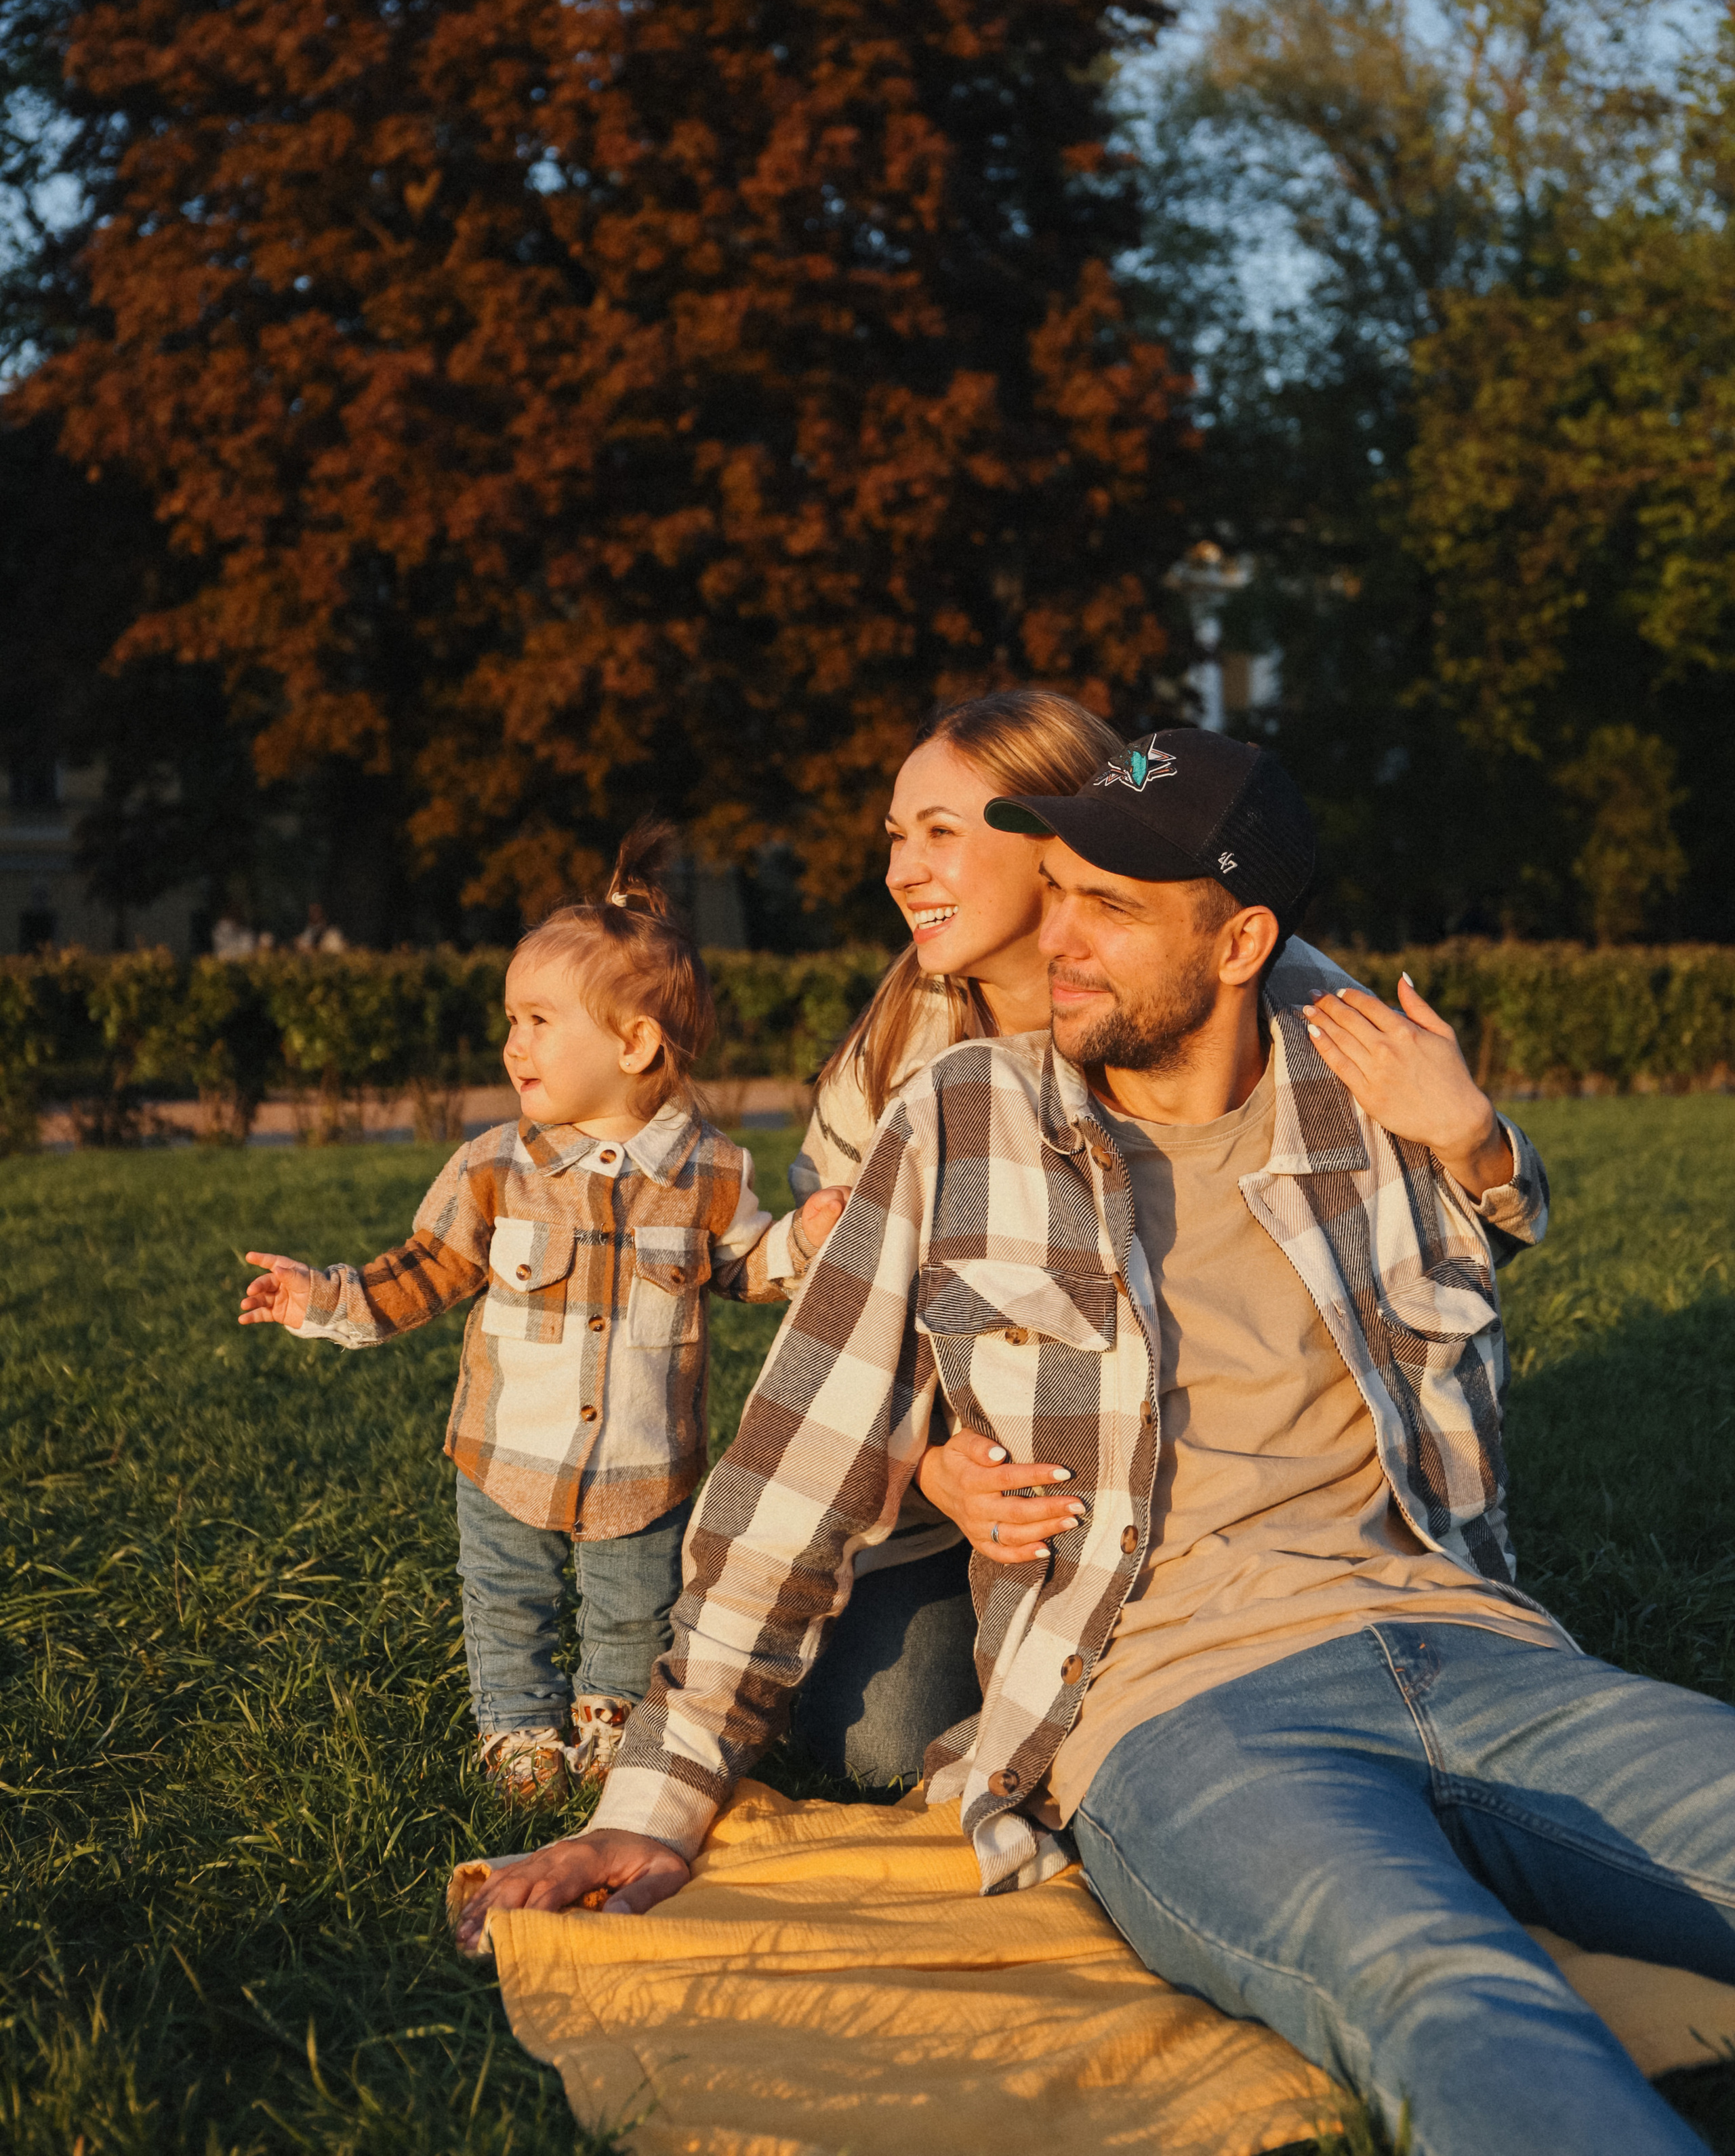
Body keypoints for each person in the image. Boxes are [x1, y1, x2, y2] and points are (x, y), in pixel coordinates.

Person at [457, 733, 1735, 2156]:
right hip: (1180, 1712)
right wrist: (656, 1797)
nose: (1056, 938)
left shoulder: (1367, 1092)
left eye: (1110, 907)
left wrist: (1474, 1134)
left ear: (1241, 943)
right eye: (1055, 890)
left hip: (1471, 1646)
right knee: (1445, 1984)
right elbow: (795, 1473)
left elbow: (1502, 1209)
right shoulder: (962, 1116)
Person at [766, 689, 1354, 1784]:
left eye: (940, 833)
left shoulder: (1236, 989)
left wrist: (1475, 1144)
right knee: (877, 1742)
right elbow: (833, 1344)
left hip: (1193, 1479)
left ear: (1052, 840)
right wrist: (933, 1470)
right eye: (896, 837)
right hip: (985, 1502)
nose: (901, 872)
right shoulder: (895, 1053)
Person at [236, 821, 844, 1807]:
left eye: (537, 1021)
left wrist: (805, 1239)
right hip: (505, 1452)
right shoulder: (493, 1167)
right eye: (510, 1020)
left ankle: (612, 1719)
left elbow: (747, 1271)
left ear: (635, 1043)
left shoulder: (711, 1172)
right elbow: (428, 1268)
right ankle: (516, 1723)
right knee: (507, 1599)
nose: (513, 1043)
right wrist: (327, 1299)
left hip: (644, 1461)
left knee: (634, 1609)